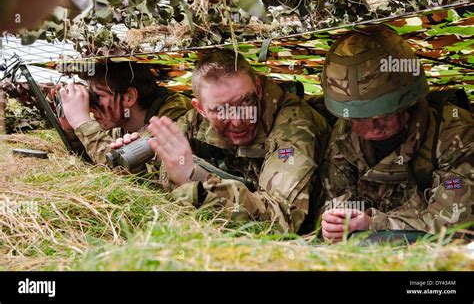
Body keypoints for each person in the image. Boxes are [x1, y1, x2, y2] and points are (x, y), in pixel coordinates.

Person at [142, 49, 331, 233]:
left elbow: (278, 221)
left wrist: (195, 182)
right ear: (200, 109)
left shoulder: (294, 125)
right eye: (220, 111)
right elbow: (156, 167)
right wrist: (135, 165)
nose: (238, 121)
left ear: (257, 88)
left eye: (245, 101)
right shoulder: (195, 121)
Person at [319, 25, 473, 242]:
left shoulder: (453, 132)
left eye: (386, 115)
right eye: (361, 119)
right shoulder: (345, 133)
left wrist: (374, 224)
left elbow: (458, 222)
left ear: (409, 103)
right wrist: (336, 223)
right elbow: (336, 198)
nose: (375, 127)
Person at [58, 61, 192, 165]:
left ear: (129, 97)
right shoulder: (123, 125)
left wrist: (82, 121)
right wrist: (71, 129)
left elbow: (121, 166)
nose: (91, 107)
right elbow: (91, 157)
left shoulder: (173, 114)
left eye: (97, 96)